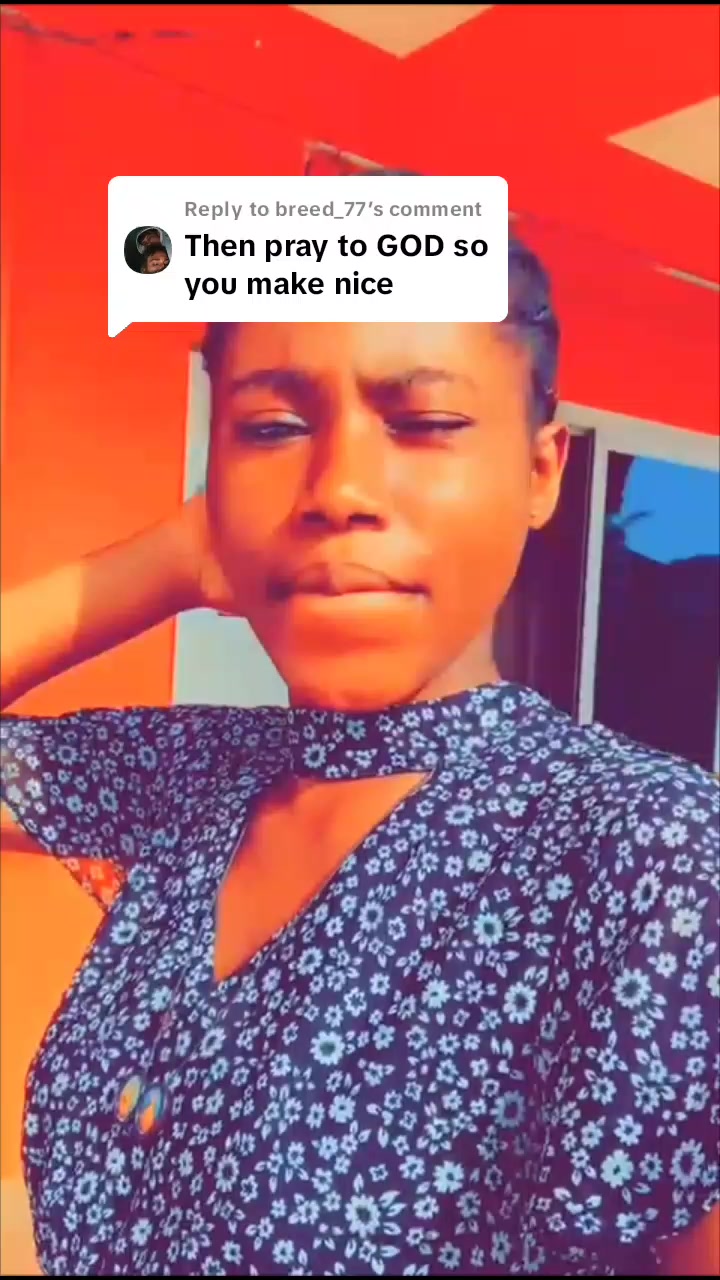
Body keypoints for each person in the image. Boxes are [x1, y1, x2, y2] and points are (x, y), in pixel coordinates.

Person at [1, 237, 718, 1277]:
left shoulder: (648, 856)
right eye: (272, 428)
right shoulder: (193, 776)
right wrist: (163, 561)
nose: (337, 487)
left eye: (423, 423)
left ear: (539, 472)